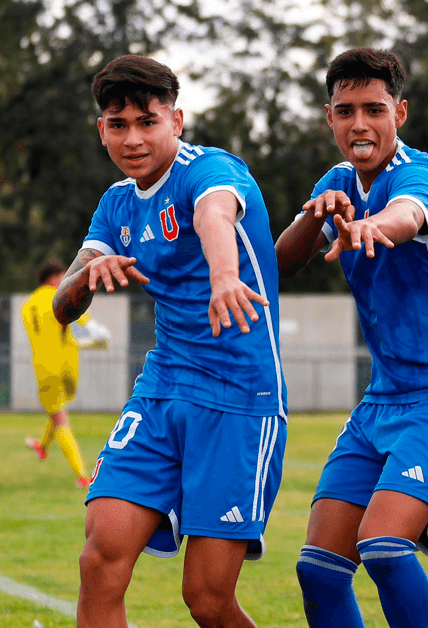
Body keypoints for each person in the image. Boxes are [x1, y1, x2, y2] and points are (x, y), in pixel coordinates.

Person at [52, 55, 287, 628]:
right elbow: (63, 304)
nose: (133, 138)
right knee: (100, 555)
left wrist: (225, 276)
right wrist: (85, 277)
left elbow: (214, 214)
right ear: (101, 129)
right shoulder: (116, 204)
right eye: (117, 124)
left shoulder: (210, 170)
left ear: (176, 121)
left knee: (207, 600)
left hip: (239, 399)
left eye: (147, 122)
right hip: (161, 391)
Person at [275, 48, 428, 628]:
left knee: (383, 544)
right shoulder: (338, 184)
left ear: (400, 112)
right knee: (318, 568)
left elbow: (408, 214)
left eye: (374, 109)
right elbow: (277, 267)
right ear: (329, 117)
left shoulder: (423, 180)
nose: (359, 125)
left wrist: (373, 225)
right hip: (382, 400)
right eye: (345, 111)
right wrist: (313, 216)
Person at [21, 261, 108, 488]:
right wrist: (92, 327)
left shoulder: (28, 305)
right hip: (68, 368)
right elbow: (72, 312)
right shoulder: (58, 297)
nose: (65, 281)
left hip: (45, 370)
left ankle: (82, 476)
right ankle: (43, 448)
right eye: (63, 277)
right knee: (59, 413)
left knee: (59, 418)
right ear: (53, 280)